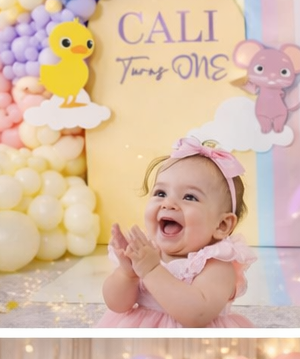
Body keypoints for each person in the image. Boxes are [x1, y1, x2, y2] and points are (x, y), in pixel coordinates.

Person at [100, 137, 255, 327]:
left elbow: (197, 315)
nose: (168, 203)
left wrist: (151, 270)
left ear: (222, 225)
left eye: (189, 197)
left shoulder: (215, 265)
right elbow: (117, 305)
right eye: (160, 193)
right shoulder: (147, 253)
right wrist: (128, 274)